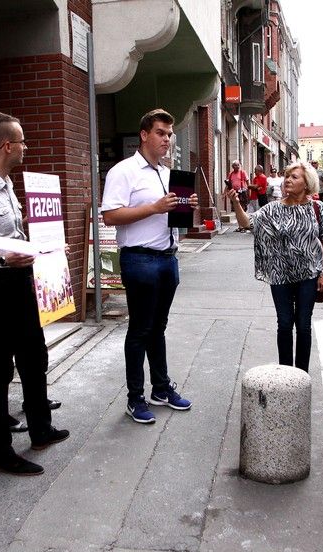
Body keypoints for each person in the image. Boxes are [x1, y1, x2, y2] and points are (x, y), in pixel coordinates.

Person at [0, 111, 69, 476]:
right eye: (22, 142)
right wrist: (4, 258)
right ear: (6, 145)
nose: (26, 148)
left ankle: (40, 429)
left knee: (34, 356)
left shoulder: (5, 183)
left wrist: (45, 244)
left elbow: (12, 236)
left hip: (20, 281)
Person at [101, 108, 197, 424]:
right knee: (140, 330)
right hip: (139, 258)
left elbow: (174, 218)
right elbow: (110, 216)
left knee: (158, 328)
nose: (167, 139)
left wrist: (186, 207)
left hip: (168, 257)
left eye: (169, 134)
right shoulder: (123, 171)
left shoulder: (168, 174)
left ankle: (161, 389)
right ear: (144, 135)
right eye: (160, 133)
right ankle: (135, 398)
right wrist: (154, 207)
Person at [231, 162, 323, 372]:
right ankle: (286, 375)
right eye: (287, 176)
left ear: (307, 183)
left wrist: (322, 273)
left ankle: (301, 375)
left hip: (308, 275)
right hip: (280, 276)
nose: (288, 180)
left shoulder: (317, 208)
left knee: (303, 325)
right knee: (284, 324)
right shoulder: (273, 208)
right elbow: (247, 223)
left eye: (294, 177)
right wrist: (236, 204)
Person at [227, 160, 250, 230]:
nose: (237, 166)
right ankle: (240, 226)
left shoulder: (243, 172)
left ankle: (244, 225)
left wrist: (249, 191)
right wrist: (225, 193)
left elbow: (248, 182)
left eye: (238, 165)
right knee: (236, 209)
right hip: (234, 193)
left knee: (242, 208)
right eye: (235, 165)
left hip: (242, 192)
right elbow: (228, 184)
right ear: (232, 166)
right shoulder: (231, 174)